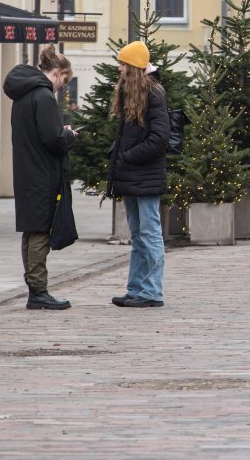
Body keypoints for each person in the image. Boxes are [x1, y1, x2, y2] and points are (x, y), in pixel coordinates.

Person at [2, 45, 77, 310]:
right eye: (63, 81)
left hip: (26, 169)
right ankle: (38, 292)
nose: (61, 86)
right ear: (57, 73)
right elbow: (53, 139)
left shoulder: (23, 93)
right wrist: (68, 135)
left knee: (31, 229)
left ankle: (35, 289)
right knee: (40, 232)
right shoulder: (43, 96)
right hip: (42, 173)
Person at [108, 41, 170, 308]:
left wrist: (127, 157)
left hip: (144, 175)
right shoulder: (132, 93)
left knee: (150, 232)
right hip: (132, 175)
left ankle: (152, 291)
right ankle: (136, 288)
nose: (120, 69)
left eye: (123, 64)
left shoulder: (153, 93)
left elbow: (159, 138)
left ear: (134, 67)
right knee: (138, 235)